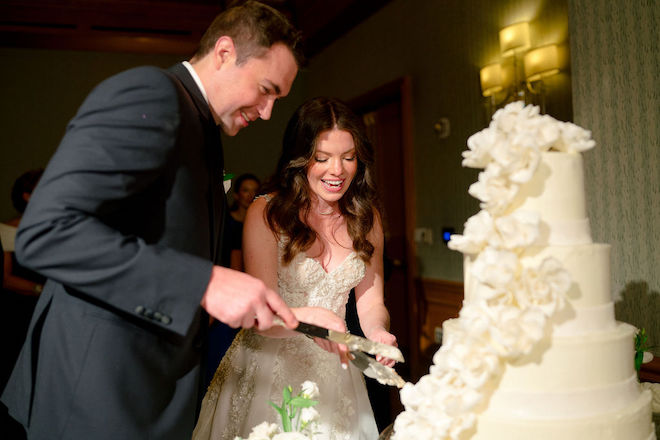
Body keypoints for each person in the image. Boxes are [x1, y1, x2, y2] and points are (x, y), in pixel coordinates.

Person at [0, 2, 330, 439]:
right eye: (265, 90)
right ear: (225, 52)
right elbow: (47, 232)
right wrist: (204, 282)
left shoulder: (205, 127)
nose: (268, 112)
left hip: (145, 387)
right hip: (98, 391)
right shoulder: (152, 93)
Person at [192, 97, 399, 440]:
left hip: (337, 371)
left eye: (349, 158)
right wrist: (312, 322)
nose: (338, 170)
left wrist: (377, 333)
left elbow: (371, 301)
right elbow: (263, 313)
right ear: (300, 159)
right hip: (268, 369)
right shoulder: (267, 212)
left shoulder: (367, 217)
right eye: (322, 158)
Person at [225, 173, 261, 271]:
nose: (251, 195)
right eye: (245, 190)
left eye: (255, 191)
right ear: (236, 195)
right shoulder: (226, 222)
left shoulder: (262, 224)